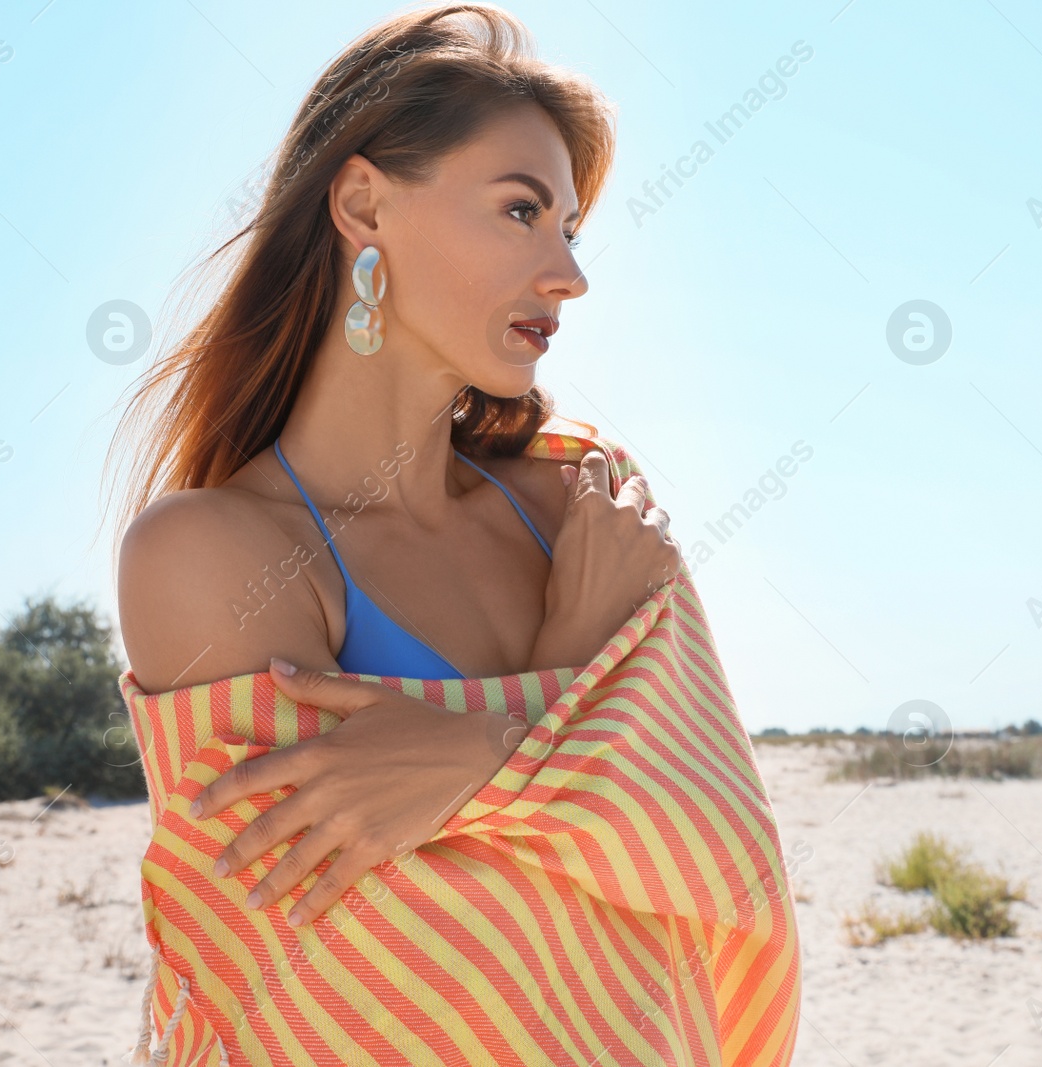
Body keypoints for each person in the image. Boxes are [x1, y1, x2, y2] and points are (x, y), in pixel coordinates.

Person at [109, 3, 680, 930]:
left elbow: (712, 833)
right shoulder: (212, 555)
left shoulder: (583, 501)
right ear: (365, 206)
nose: (570, 272)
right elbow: (341, 957)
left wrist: (480, 755)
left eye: (569, 227)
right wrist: (551, 690)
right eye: (522, 210)